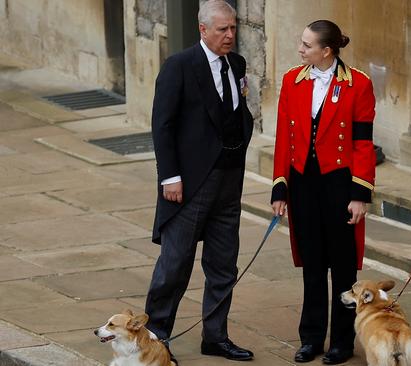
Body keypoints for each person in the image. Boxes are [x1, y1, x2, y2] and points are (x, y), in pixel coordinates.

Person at [146, 0, 254, 362]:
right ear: (203, 30)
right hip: (189, 184)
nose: (230, 35)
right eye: (223, 29)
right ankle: (154, 337)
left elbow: (238, 115)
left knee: (224, 264)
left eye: (234, 28)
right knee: (174, 265)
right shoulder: (179, 66)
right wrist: (170, 177)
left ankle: (216, 336)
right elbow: (162, 126)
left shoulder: (236, 64)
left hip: (228, 180)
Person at [270, 20, 376, 365]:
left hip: (340, 185)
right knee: (312, 264)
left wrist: (360, 194)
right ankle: (311, 338)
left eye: (306, 45)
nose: (300, 50)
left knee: (343, 267)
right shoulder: (292, 80)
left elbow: (362, 143)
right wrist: (280, 188)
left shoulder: (358, 84)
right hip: (303, 184)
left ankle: (342, 341)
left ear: (326, 51)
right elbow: (283, 138)